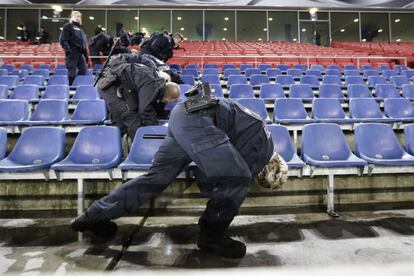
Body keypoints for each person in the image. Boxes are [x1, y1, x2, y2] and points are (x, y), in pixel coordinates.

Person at [71, 84, 289, 259]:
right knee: (238, 178)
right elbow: (221, 179)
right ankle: (212, 237)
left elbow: (212, 168)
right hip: (199, 120)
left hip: (185, 114)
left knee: (154, 179)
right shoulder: (260, 150)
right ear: (267, 171)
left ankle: (93, 217)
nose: (255, 180)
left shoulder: (259, 135)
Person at [96, 58, 180, 139]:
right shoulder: (153, 84)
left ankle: (122, 145)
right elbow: (145, 109)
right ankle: (140, 147)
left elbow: (150, 105)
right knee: (132, 118)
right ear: (168, 97)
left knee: (122, 122)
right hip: (111, 86)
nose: (167, 102)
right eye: (169, 101)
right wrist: (155, 126)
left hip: (112, 84)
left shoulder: (157, 84)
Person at [59, 11, 89, 85]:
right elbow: (63, 39)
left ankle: (78, 85)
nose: (78, 18)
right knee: (72, 72)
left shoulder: (80, 29)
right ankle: (71, 88)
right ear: (72, 17)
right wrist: (68, 50)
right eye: (76, 16)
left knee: (83, 70)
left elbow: (83, 43)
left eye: (79, 16)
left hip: (80, 53)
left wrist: (86, 55)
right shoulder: (68, 26)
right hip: (72, 52)